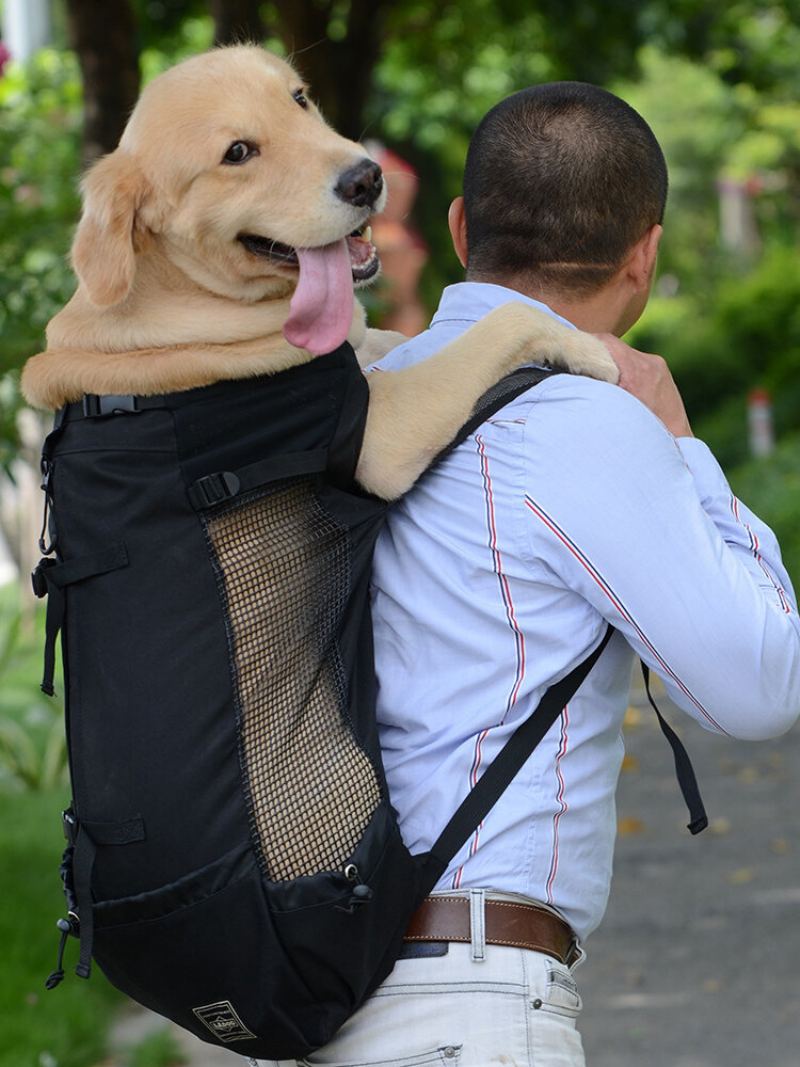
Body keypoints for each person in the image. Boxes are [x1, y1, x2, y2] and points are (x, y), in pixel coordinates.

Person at [271, 83, 800, 1067]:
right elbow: (761, 683)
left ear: (462, 224)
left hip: (308, 983)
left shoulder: (362, 396)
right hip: (458, 1004)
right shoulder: (581, 425)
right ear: (642, 253)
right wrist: (680, 443)